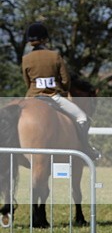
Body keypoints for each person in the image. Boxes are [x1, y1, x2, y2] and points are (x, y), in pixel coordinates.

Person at [21, 22, 101, 160]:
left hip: (31, 97)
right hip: (53, 96)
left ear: (29, 40)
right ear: (45, 39)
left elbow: (27, 82)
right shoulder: (55, 56)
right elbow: (66, 80)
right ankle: (85, 148)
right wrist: (63, 90)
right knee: (82, 118)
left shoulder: (26, 59)